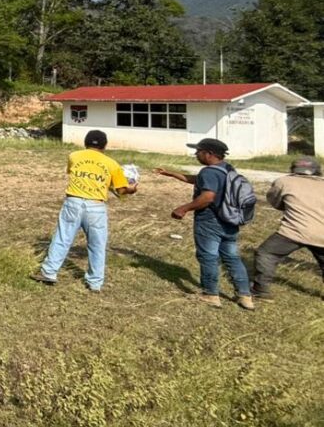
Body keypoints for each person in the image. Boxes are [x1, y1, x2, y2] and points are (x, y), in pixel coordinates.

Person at [31, 129, 136, 291]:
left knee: (62, 238)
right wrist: (132, 189)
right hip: (96, 206)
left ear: (85, 143)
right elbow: (121, 190)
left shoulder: (74, 156)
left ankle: (49, 272)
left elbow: (74, 172)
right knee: (97, 244)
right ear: (105, 145)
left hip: (73, 201)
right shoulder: (112, 164)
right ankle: (95, 282)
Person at [156, 137, 254, 310]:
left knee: (208, 256)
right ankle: (245, 296)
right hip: (230, 220)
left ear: (209, 154)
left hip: (210, 220)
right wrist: (170, 173)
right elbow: (197, 179)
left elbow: (208, 197)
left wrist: (184, 208)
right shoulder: (227, 169)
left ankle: (210, 294)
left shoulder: (209, 172)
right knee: (232, 258)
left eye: (198, 151)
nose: (196, 154)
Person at [252, 156, 324, 300]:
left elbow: (276, 202)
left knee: (267, 253)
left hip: (294, 231)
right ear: (318, 171)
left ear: (293, 169)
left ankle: (261, 290)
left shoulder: (284, 182)